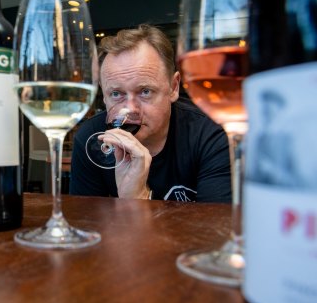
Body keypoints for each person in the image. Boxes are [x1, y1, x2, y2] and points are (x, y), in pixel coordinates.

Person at [70, 24, 231, 202]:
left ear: (174, 87)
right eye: (116, 94)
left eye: (145, 91)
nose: (129, 109)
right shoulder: (91, 140)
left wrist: (139, 199)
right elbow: (86, 224)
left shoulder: (211, 135)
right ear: (104, 96)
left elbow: (215, 228)